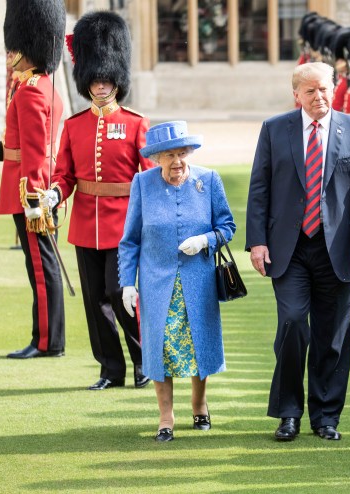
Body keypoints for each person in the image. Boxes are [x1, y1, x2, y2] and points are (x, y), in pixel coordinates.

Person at [246, 62, 350, 441]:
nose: (318, 97)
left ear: (333, 88)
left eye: (324, 89)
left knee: (331, 336)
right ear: (297, 95)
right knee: (291, 324)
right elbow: (260, 187)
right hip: (289, 249)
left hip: (337, 250)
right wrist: (257, 241)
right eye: (310, 92)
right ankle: (288, 412)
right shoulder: (275, 129)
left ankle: (325, 417)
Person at [44, 11, 154, 391]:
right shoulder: (74, 126)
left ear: (117, 81)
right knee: (94, 301)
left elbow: (150, 175)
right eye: (94, 78)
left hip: (124, 226)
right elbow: (65, 174)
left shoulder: (136, 123)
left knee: (118, 293)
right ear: (86, 81)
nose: (100, 84)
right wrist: (54, 194)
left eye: (106, 79)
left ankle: (144, 360)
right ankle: (111, 369)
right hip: (84, 225)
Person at [118, 121, 236, 442]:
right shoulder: (142, 184)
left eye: (182, 153)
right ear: (156, 159)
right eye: (169, 155)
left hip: (198, 283)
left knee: (200, 344)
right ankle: (166, 416)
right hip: (157, 285)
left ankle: (199, 404)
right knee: (162, 348)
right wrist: (128, 283)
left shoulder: (208, 180)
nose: (177, 161)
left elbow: (227, 226)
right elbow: (129, 241)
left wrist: (205, 240)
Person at [0, 0, 66, 359]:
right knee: (40, 264)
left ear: (29, 47)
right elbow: (19, 146)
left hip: (31, 193)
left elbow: (36, 152)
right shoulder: (37, 86)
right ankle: (47, 338)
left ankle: (46, 342)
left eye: (15, 47)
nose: (10, 53)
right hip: (31, 188)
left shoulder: (30, 91)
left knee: (41, 267)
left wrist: (35, 201)